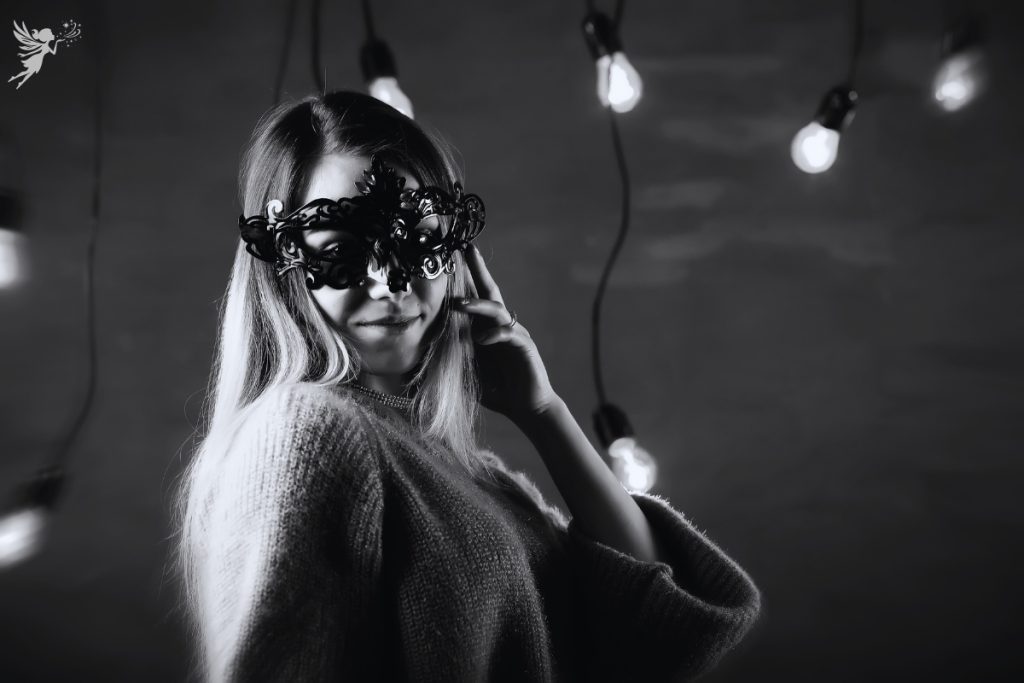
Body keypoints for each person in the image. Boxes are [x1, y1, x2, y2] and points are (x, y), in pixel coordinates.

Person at [171, 90, 761, 682]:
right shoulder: (306, 432)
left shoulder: (466, 469)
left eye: (415, 239)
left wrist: (543, 412)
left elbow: (656, 626)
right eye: (342, 250)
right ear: (285, 269)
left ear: (454, 250)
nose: (388, 283)